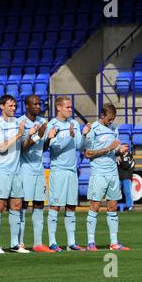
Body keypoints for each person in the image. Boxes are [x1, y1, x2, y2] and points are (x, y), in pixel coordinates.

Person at [44, 96, 90, 252]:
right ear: (59, 108)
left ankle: (71, 243)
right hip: (58, 171)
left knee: (71, 206)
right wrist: (69, 137)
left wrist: (83, 135)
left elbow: (80, 147)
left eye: (71, 107)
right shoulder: (52, 125)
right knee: (55, 206)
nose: (70, 110)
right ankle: (52, 242)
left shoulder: (74, 124)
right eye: (68, 107)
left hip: (72, 171)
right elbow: (54, 148)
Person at [84, 104, 131, 251]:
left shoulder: (114, 129)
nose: (111, 122)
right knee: (95, 207)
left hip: (112, 172)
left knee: (112, 207)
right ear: (102, 116)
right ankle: (91, 242)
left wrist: (119, 150)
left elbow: (114, 150)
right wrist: (109, 148)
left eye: (113, 119)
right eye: (109, 119)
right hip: (98, 172)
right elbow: (87, 153)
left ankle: (114, 242)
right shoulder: (94, 129)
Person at [0, 94, 29, 254]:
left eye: (14, 106)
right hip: (2, 170)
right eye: (10, 106)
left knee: (17, 205)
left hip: (17, 170)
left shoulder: (18, 123)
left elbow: (24, 145)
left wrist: (33, 133)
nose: (13, 108)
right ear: (2, 106)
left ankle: (14, 244)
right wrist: (19, 134)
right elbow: (1, 148)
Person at [18, 95, 54, 253]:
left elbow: (42, 147)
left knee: (39, 203)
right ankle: (19, 242)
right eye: (35, 104)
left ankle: (38, 243)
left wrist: (50, 138)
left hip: (39, 168)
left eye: (40, 104)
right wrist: (39, 134)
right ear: (27, 105)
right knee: (23, 205)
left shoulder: (42, 122)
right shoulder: (21, 122)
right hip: (24, 168)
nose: (38, 106)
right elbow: (23, 147)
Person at [117, 144, 135, 211]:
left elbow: (127, 165)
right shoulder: (118, 155)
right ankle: (115, 205)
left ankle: (129, 206)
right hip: (118, 176)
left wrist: (120, 161)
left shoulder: (130, 156)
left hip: (127, 176)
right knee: (116, 192)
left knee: (127, 192)